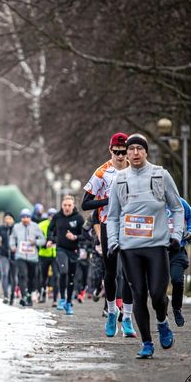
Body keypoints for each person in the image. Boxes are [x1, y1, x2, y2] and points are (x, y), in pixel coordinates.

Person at [107, 133, 184, 359]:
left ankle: (162, 321)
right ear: (126, 153)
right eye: (131, 149)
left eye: (139, 148)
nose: (135, 153)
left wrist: (177, 235)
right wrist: (113, 242)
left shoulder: (161, 175)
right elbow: (112, 216)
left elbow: (177, 208)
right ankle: (147, 343)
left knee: (158, 294)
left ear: (146, 151)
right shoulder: (120, 179)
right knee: (139, 293)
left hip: (157, 245)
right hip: (130, 247)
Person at [82, 132, 135, 337]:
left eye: (124, 152)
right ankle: (112, 312)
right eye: (117, 152)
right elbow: (85, 203)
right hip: (108, 224)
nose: (121, 156)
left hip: (131, 225)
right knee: (111, 272)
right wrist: (107, 201)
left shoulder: (137, 170)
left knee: (130, 274)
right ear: (110, 150)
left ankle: (128, 319)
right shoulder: (102, 172)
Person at [47, 195, 84, 315]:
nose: (67, 208)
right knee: (63, 272)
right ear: (62, 205)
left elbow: (85, 235)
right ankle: (62, 299)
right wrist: (50, 239)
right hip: (61, 248)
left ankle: (68, 302)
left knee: (71, 277)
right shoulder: (57, 216)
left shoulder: (78, 218)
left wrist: (75, 237)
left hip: (73, 250)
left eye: (69, 205)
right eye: (65, 205)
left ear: (73, 206)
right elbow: (50, 229)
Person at [167, 197, 191, 326]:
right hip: (158, 250)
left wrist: (190, 231)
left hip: (177, 250)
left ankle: (176, 308)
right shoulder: (152, 202)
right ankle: (162, 316)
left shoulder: (180, 202)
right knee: (158, 287)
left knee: (177, 280)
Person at [9, 208, 46, 306]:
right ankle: (24, 295)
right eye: (23, 217)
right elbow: (12, 238)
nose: (25, 219)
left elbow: (43, 240)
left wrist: (35, 242)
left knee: (31, 278)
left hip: (32, 257)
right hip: (20, 256)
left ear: (30, 218)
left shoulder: (36, 227)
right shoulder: (16, 227)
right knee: (22, 275)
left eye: (27, 217)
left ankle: (29, 295)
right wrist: (12, 246)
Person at [37, 209, 57, 304]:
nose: (52, 217)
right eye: (50, 215)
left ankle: (55, 299)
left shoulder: (59, 224)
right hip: (44, 254)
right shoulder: (41, 225)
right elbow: (37, 238)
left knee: (56, 275)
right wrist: (45, 244)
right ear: (48, 216)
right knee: (43, 276)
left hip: (55, 254)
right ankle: (42, 294)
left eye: (54, 215)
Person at [0, 212, 15, 303]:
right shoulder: (1, 228)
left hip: (14, 254)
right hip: (3, 254)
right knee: (4, 274)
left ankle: (13, 295)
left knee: (14, 276)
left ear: (13, 219)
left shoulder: (16, 228)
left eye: (9, 218)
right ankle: (6, 295)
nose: (8, 220)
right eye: (6, 218)